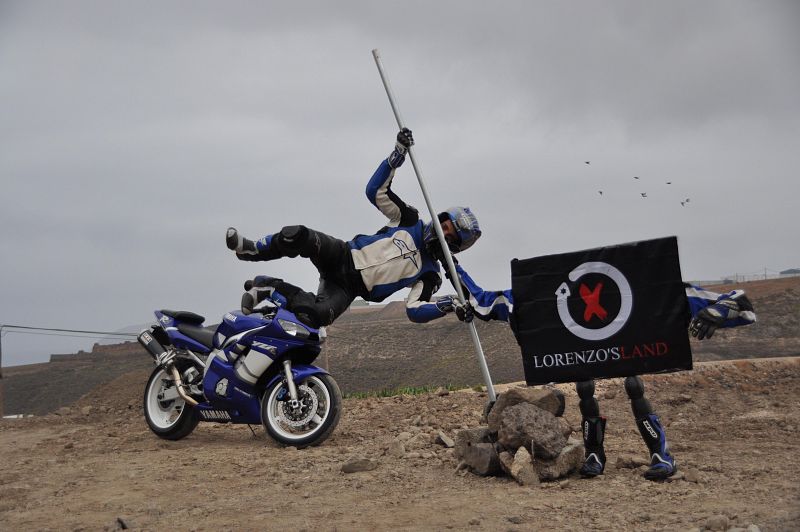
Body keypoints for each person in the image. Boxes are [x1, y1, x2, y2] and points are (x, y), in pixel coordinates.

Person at [408, 266, 756, 480]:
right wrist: (453, 265)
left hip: (628, 344)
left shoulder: (650, 288)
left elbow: (740, 302)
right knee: (584, 383)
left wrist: (718, 310)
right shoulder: (539, 297)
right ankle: (594, 453)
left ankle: (659, 453)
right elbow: (486, 301)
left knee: (634, 384)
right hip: (586, 349)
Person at [226, 128, 479, 329]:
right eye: (444, 225)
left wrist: (448, 305)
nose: (443, 233)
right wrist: (397, 154)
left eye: (450, 234)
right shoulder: (410, 219)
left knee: (315, 316)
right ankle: (252, 249)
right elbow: (375, 192)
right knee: (300, 235)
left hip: (350, 288)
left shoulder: (431, 275)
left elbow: (414, 311)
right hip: (344, 253)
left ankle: (267, 287)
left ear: (457, 246)